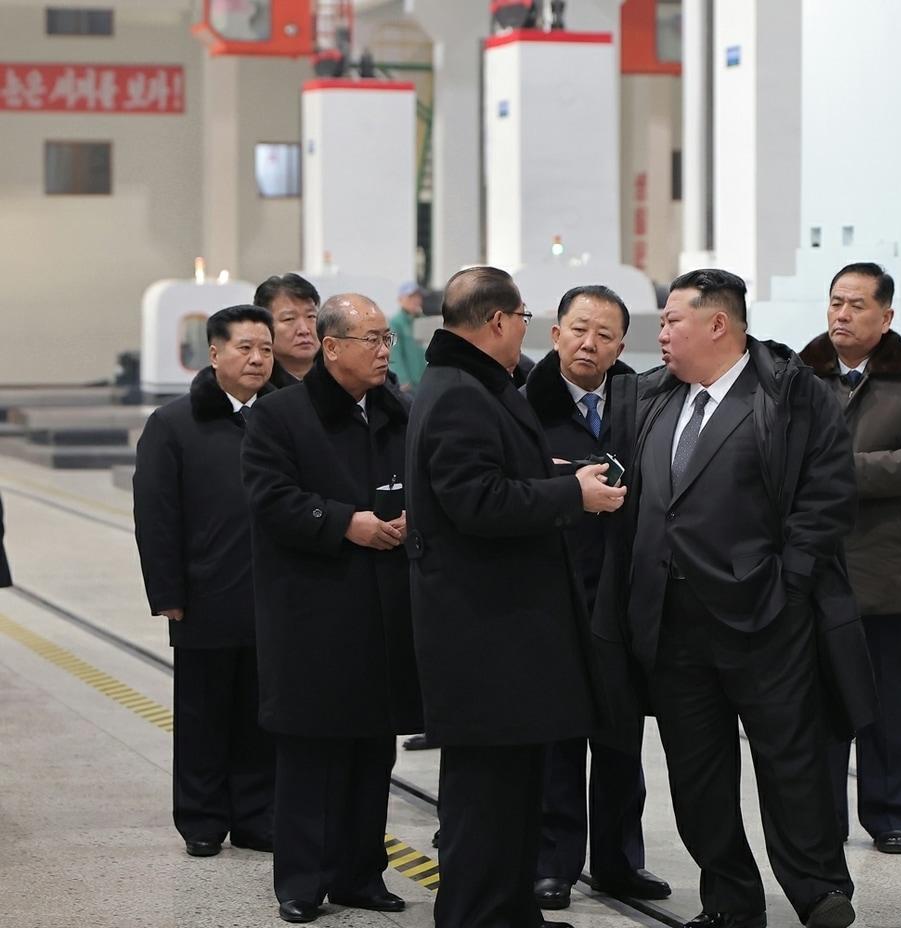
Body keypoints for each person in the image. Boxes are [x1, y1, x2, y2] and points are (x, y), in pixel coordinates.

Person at [594, 268, 875, 928]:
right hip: (672, 625)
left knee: (791, 764)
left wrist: (788, 585)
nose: (658, 333)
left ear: (717, 325)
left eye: (671, 321)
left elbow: (826, 500)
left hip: (765, 620)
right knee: (696, 774)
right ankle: (729, 897)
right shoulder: (650, 399)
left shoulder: (791, 398)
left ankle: (818, 889)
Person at [405, 266, 626, 928]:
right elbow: (475, 502)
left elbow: (486, 474)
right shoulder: (459, 395)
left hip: (502, 635)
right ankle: (476, 915)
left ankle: (509, 910)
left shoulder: (470, 385)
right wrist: (571, 495)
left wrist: (549, 473)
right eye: (525, 318)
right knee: (484, 798)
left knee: (511, 792)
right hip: (485, 636)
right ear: (499, 321)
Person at [241, 293, 423, 924]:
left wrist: (405, 522)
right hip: (314, 612)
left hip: (382, 611)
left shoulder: (397, 410)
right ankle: (300, 880)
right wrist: (348, 524)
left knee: (373, 752)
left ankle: (359, 874)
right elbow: (271, 498)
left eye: (386, 339)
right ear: (332, 345)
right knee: (311, 753)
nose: (383, 350)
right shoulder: (281, 416)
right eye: (370, 339)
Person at [798, 262, 901, 855]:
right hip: (814, 565)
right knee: (819, 704)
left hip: (887, 567)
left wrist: (839, 472)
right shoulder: (800, 372)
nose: (841, 314)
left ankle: (892, 815)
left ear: (886, 316)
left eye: (856, 305)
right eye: (835, 302)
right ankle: (821, 821)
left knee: (889, 703)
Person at [523, 285, 670, 911]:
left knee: (619, 738)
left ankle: (617, 862)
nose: (590, 343)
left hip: (622, 595)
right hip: (552, 595)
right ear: (554, 333)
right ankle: (553, 862)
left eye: (606, 334)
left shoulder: (642, 403)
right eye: (579, 329)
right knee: (557, 737)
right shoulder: (523, 405)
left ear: (621, 344)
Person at [133, 304, 279, 859]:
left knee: (260, 713)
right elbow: (156, 513)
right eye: (245, 348)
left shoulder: (285, 415)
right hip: (206, 594)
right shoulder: (174, 424)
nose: (258, 358)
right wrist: (167, 593)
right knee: (202, 712)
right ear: (214, 353)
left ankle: (255, 814)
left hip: (274, 596)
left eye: (265, 348)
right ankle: (200, 817)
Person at [253, 273, 321, 388]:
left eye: (311, 316)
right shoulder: (254, 384)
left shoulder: (341, 377)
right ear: (265, 327)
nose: (304, 330)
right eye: (289, 318)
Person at [389, 281, 429, 392]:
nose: (416, 300)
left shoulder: (424, 320)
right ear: (400, 299)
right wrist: (402, 379)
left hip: (425, 381)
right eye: (411, 296)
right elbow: (394, 354)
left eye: (418, 296)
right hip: (409, 385)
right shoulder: (395, 323)